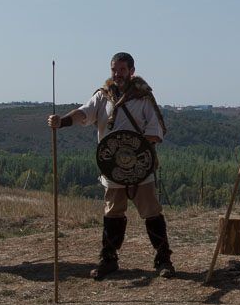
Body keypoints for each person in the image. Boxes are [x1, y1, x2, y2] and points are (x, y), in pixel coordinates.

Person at [48, 52, 174, 280]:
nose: (117, 74)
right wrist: (62, 121)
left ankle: (163, 259)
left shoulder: (143, 97)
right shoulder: (102, 97)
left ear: (132, 71)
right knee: (113, 213)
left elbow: (155, 131)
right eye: (114, 70)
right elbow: (83, 113)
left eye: (122, 70)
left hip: (139, 168)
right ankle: (109, 259)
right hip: (112, 168)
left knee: (152, 213)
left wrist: (135, 149)